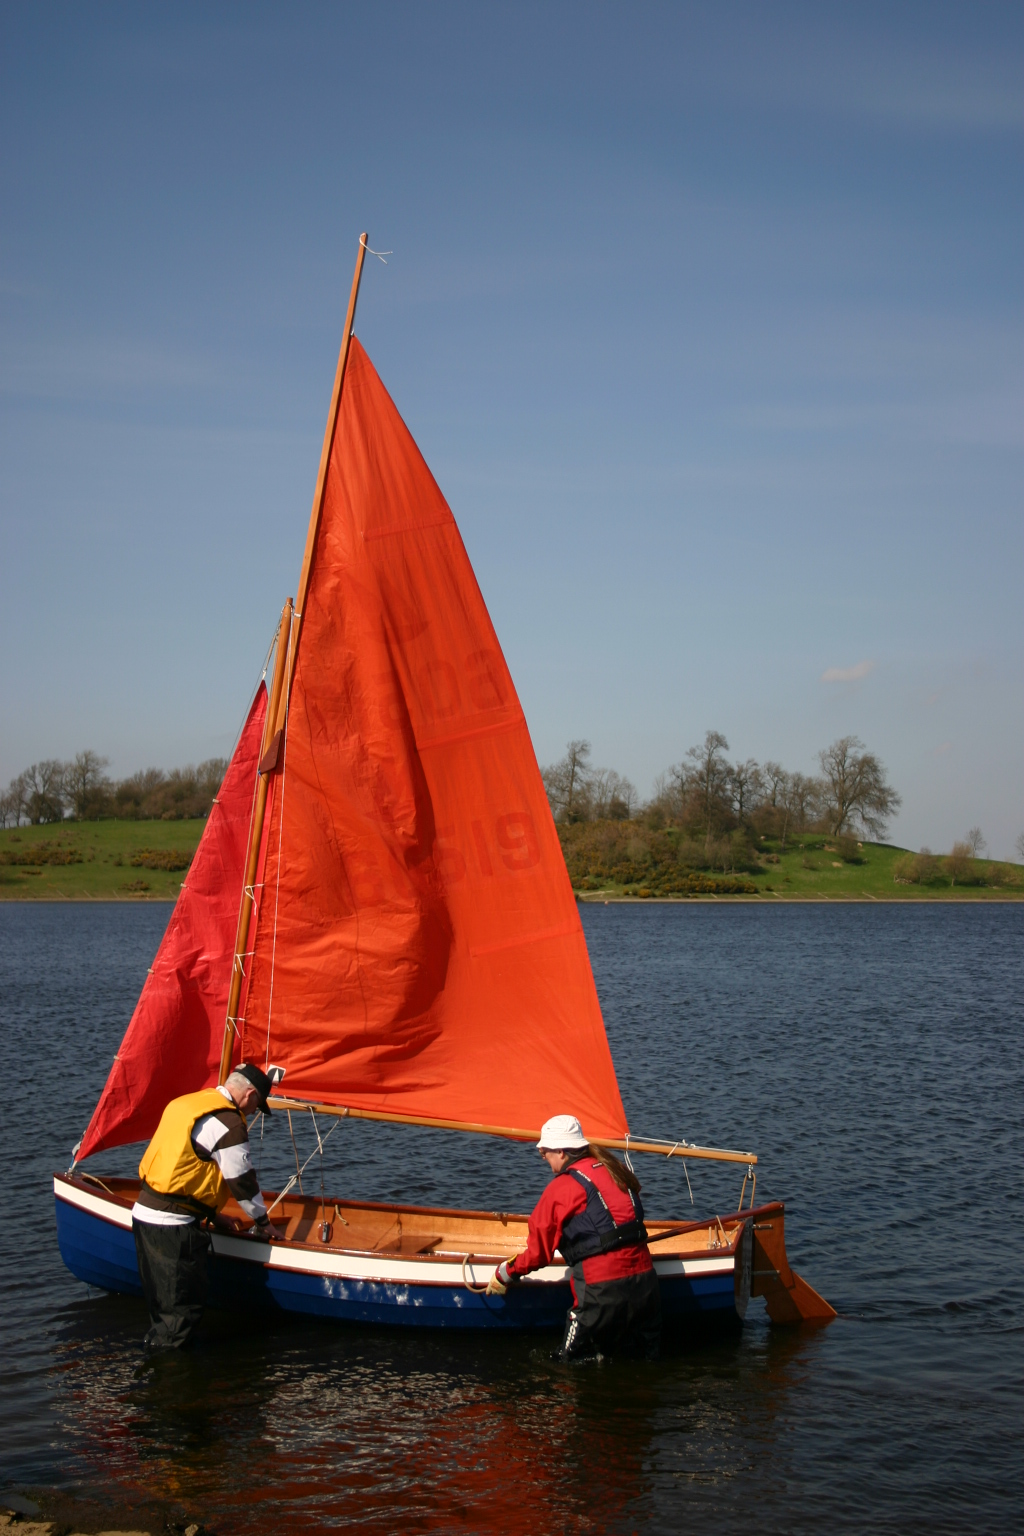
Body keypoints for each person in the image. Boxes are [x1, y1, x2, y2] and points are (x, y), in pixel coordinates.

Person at [131, 1062, 284, 1349]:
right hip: (172, 1230)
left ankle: (158, 1375)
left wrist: (214, 1214)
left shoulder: (189, 1102)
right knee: (180, 1318)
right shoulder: (229, 1123)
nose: (252, 1113)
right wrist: (264, 1224)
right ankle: (173, 1387)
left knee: (162, 1311)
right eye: (257, 1106)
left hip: (144, 1215)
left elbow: (181, 1168)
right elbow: (243, 1183)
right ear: (250, 1094)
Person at [487, 1113, 661, 1360]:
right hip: (646, 1287)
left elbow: (538, 1254)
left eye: (543, 1153)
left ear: (560, 1152)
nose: (544, 1159)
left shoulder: (561, 1189)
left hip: (601, 1293)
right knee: (642, 1363)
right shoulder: (617, 1170)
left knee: (568, 1366)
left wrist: (506, 1272)